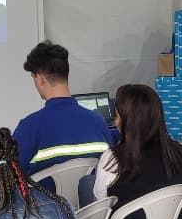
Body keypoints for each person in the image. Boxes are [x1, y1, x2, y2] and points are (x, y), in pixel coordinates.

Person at [91, 84, 182, 219]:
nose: (116, 121)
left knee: (88, 187)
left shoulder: (113, 159)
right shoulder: (178, 152)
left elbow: (100, 206)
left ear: (125, 121)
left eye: (117, 115)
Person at [13, 41, 113, 194]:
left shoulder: (29, 127)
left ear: (39, 78)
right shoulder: (98, 123)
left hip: (47, 215)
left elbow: (11, 178)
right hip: (90, 214)